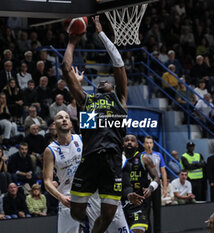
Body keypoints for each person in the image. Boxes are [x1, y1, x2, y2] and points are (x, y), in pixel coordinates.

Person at [66, 16, 128, 233]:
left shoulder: (120, 99)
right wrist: (72, 42)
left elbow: (118, 64)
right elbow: (66, 70)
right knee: (75, 213)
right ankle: (88, 223)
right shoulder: (87, 100)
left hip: (112, 161)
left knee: (108, 216)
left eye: (108, 81)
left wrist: (101, 34)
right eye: (101, 81)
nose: (104, 81)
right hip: (90, 158)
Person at [43, 110, 131, 233]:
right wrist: (61, 197)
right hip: (67, 198)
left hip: (90, 194)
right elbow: (47, 181)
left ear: (71, 123)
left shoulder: (82, 139)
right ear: (54, 124)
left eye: (66, 117)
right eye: (60, 117)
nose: (64, 119)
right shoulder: (50, 150)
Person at [122, 134, 160, 233]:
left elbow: (156, 178)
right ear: (122, 144)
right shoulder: (118, 159)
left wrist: (150, 188)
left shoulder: (144, 159)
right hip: (121, 202)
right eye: (126, 140)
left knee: (138, 230)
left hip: (139, 202)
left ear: (137, 145)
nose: (129, 142)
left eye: (132, 140)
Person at [142, 136, 167, 233]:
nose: (149, 145)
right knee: (146, 210)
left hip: (156, 183)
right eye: (147, 143)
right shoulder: (141, 156)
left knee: (157, 210)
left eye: (150, 142)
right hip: (146, 184)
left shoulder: (158, 155)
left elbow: (163, 172)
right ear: (144, 144)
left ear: (153, 144)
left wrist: (164, 188)